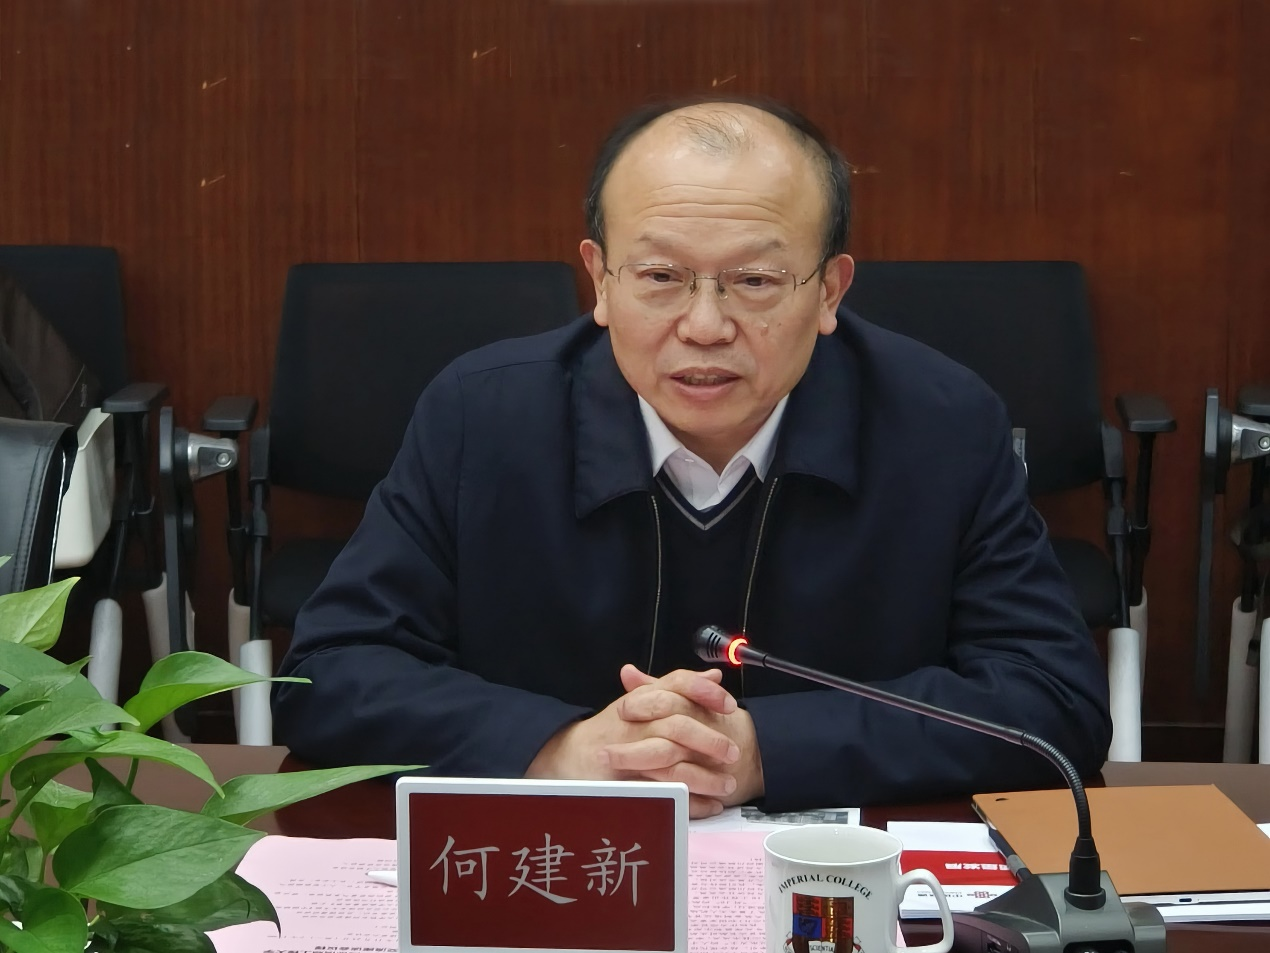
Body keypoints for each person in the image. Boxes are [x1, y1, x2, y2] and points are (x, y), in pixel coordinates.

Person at [274, 97, 1111, 815]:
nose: (705, 326)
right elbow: (328, 674)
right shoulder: (482, 416)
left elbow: (1053, 697)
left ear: (830, 290)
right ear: (601, 280)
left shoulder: (940, 422)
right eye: (660, 277)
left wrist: (764, 750)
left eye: (755, 281)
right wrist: (559, 748)